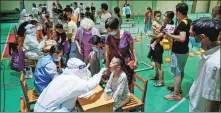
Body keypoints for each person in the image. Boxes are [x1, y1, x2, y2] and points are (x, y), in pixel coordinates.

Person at [34, 58, 107, 112]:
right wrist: (100, 73)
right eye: (81, 68)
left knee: (72, 97)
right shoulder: (74, 81)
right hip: (48, 110)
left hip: (38, 107)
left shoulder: (62, 76)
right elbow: (90, 85)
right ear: (76, 70)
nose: (83, 70)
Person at [189, 18, 220, 112]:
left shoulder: (213, 63)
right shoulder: (212, 53)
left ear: (202, 37)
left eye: (192, 35)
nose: (191, 38)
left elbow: (214, 101)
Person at [164, 3, 192, 100]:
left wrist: (170, 35)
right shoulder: (188, 21)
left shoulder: (183, 23)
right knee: (181, 70)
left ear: (179, 12)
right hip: (184, 51)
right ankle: (178, 87)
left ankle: (175, 94)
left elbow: (182, 38)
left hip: (179, 52)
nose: (175, 13)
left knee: (177, 72)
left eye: (176, 12)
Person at [105, 17, 138, 93]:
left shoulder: (126, 34)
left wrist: (136, 60)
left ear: (117, 27)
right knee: (117, 85)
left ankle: (129, 98)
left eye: (110, 30)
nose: (109, 32)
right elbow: (107, 54)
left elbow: (132, 49)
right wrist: (107, 68)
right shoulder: (108, 37)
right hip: (115, 65)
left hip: (127, 64)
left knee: (129, 83)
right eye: (108, 30)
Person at [148, 11, 175, 87]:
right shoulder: (164, 25)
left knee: (158, 64)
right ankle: (156, 76)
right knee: (156, 62)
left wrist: (152, 35)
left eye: (165, 16)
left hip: (159, 46)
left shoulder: (170, 26)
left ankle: (161, 81)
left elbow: (160, 35)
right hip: (156, 44)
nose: (163, 17)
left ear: (169, 19)